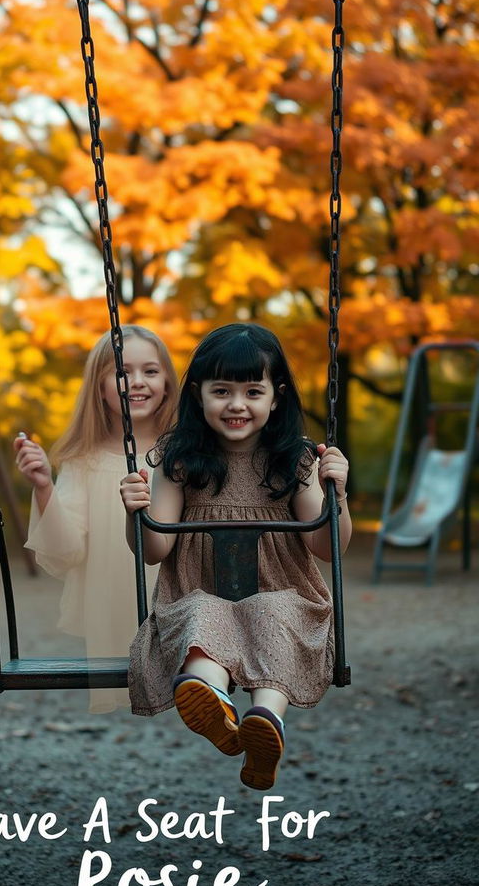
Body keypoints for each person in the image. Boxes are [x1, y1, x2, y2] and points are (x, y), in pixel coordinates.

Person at [120, 323, 351, 789]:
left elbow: (328, 548)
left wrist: (337, 494)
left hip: (283, 592)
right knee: (203, 614)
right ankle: (209, 700)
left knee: (273, 612)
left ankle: (265, 721)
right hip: (198, 589)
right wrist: (136, 514)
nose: (237, 405)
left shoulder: (297, 459)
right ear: (198, 394)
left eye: (252, 391)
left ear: (276, 396)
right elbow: (155, 550)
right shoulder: (177, 459)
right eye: (221, 391)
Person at [15, 325, 178, 713]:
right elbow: (66, 550)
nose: (137, 382)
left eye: (151, 371)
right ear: (100, 386)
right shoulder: (83, 458)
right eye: (122, 372)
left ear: (168, 382)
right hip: (113, 599)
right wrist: (43, 488)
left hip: (179, 598)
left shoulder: (186, 452)